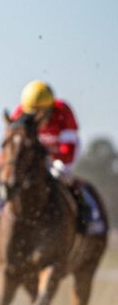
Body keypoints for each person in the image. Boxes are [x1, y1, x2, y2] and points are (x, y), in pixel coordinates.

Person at [10, 80, 105, 234]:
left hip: (61, 153)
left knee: (61, 173)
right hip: (37, 155)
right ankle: (2, 210)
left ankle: (87, 212)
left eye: (40, 115)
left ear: (50, 109)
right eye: (32, 114)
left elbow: (68, 149)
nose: (36, 119)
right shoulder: (19, 113)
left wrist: (49, 157)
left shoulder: (63, 111)